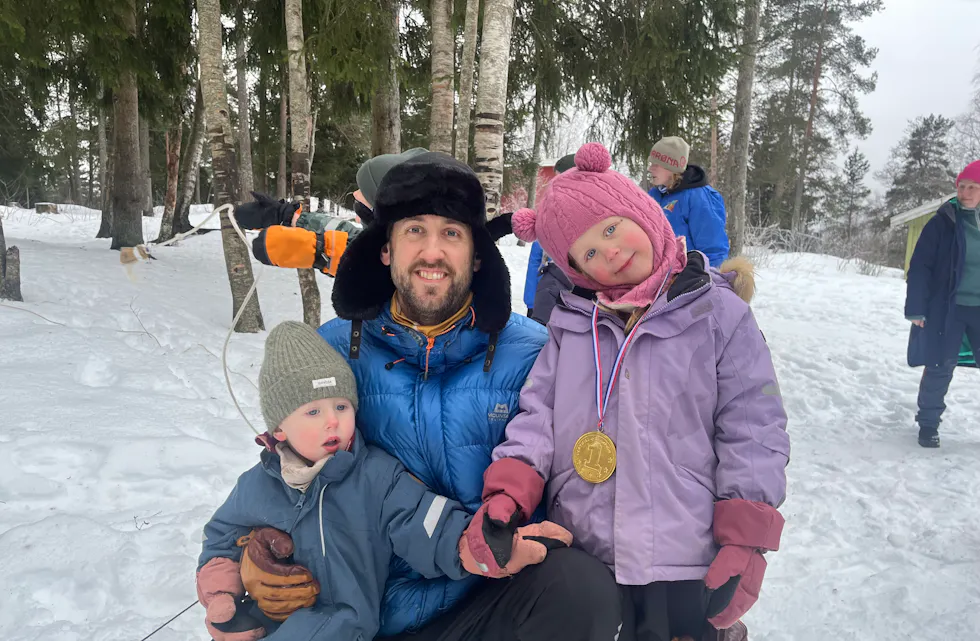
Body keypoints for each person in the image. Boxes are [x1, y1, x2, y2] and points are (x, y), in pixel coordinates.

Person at [468, 143, 790, 641]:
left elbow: (753, 426)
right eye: (590, 252)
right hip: (588, 550)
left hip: (682, 554)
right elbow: (537, 415)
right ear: (575, 270)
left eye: (613, 228)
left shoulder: (719, 316)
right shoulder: (570, 327)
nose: (611, 252)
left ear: (642, 211)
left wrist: (745, 539)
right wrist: (510, 490)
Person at [195, 321, 570, 641]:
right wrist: (222, 596)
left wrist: (492, 546)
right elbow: (223, 536)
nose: (332, 422)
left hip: (349, 629)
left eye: (341, 407)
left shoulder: (375, 475)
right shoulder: (257, 485)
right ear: (279, 428)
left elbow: (430, 524)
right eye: (313, 412)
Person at [236, 149, 513, 279]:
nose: (355, 200)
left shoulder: (407, 254)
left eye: (363, 195)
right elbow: (345, 230)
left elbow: (355, 249)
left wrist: (318, 249)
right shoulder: (386, 237)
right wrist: (287, 215)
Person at [906, 159, 980, 448]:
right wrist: (916, 307)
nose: (966, 192)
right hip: (947, 308)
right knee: (940, 364)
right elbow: (921, 266)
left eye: (973, 187)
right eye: (962, 186)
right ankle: (928, 424)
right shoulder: (943, 222)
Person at [647, 136, 729, 267]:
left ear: (671, 166)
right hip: (659, 278)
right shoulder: (653, 195)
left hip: (688, 279)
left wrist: (704, 281)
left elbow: (713, 251)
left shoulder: (700, 197)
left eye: (655, 164)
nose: (650, 169)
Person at [522, 153, 584, 325]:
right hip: (544, 296)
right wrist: (531, 301)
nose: (554, 185)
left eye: (560, 179)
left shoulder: (588, 214)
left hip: (573, 300)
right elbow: (536, 259)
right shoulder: (548, 211)